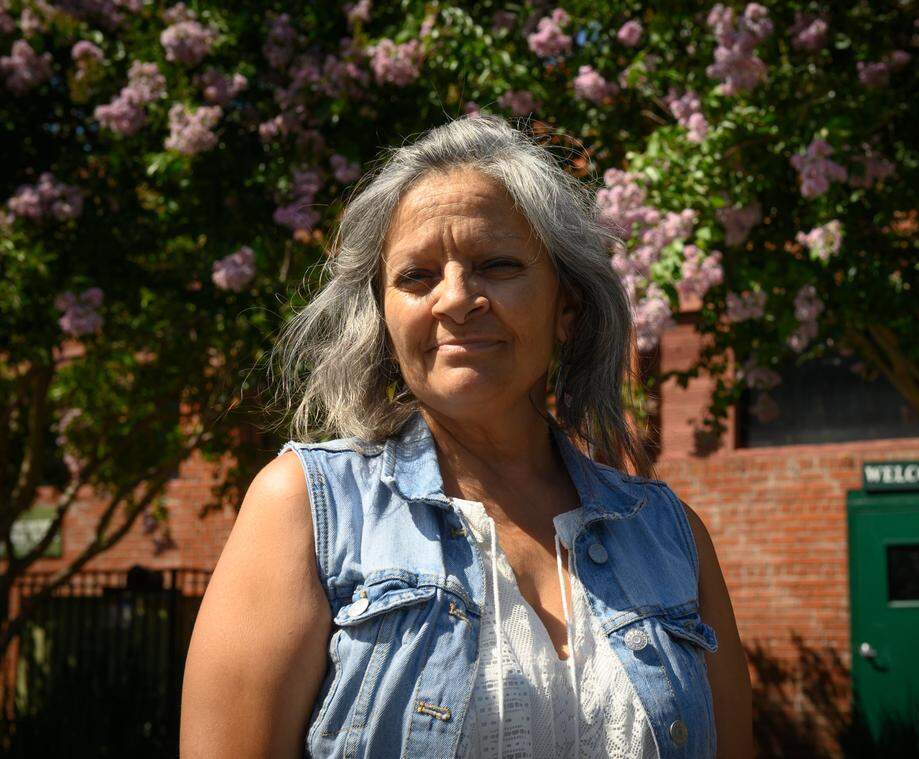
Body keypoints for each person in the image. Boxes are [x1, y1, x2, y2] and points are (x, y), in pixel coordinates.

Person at [181, 114, 751, 758]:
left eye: (497, 265)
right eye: (416, 277)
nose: (454, 300)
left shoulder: (670, 535)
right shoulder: (307, 510)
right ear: (383, 317)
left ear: (567, 308)